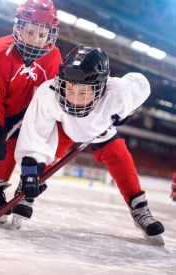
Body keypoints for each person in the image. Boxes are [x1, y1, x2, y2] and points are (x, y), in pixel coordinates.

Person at [14, 45, 165, 241]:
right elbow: (35, 134)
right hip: (65, 126)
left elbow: (141, 84)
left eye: (83, 92)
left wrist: (127, 110)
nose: (74, 98)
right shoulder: (48, 93)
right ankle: (26, 190)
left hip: (101, 131)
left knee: (120, 157)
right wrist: (30, 173)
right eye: (69, 88)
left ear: (101, 87)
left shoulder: (118, 92)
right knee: (47, 153)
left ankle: (139, 208)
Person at [0, 0, 73, 221]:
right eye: (29, 32)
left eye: (41, 34)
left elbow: (48, 95)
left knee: (13, 141)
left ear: (51, 35)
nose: (35, 39)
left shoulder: (54, 57)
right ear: (18, 27)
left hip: (21, 106)